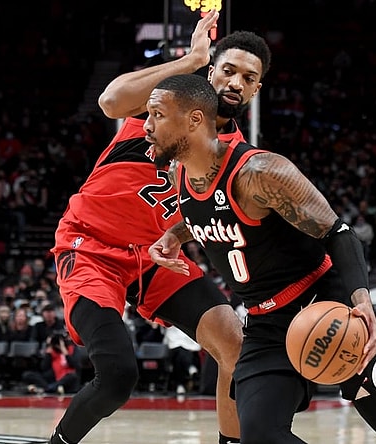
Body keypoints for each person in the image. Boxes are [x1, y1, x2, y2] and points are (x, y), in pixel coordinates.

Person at [147, 73, 376, 444]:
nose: (146, 126)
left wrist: (361, 302)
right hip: (265, 324)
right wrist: (175, 235)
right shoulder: (180, 175)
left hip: (325, 304)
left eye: (157, 115)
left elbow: (338, 233)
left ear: (194, 119)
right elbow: (210, 214)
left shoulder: (259, 173)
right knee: (258, 436)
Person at [47, 11, 267, 444]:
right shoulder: (165, 105)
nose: (235, 83)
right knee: (117, 376)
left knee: (235, 345)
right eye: (227, 70)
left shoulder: (237, 155)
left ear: (256, 88)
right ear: (211, 71)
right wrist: (189, 61)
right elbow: (111, 101)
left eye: (247, 77)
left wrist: (179, 236)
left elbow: (207, 215)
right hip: (92, 246)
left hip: (157, 258)